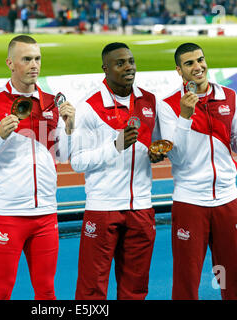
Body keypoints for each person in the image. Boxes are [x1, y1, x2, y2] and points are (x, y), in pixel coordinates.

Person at [0, 35, 75, 300]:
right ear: (10, 63)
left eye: (37, 59)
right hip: (8, 213)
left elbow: (62, 154)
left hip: (46, 212)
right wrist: (0, 134)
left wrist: (69, 127)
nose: (34, 65)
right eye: (27, 59)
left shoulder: (52, 103)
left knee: (47, 292)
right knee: (1, 291)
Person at [158, 42, 237, 300]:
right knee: (187, 278)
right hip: (190, 202)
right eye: (189, 63)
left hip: (228, 199)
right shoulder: (169, 105)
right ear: (178, 70)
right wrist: (185, 116)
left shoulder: (228, 96)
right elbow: (176, 155)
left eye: (200, 60)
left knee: (233, 274)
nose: (198, 67)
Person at [71, 42, 164, 300]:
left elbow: (152, 145)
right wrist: (116, 146)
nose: (128, 67)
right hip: (103, 208)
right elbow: (77, 161)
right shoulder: (89, 107)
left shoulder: (149, 101)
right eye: (120, 63)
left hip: (142, 206)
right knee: (91, 289)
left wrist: (156, 154)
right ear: (105, 68)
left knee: (135, 289)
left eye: (131, 61)